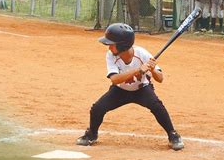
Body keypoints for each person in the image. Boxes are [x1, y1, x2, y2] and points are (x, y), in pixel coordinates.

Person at [76, 23, 184, 151]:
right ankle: (92, 134)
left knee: (157, 106)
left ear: (123, 45)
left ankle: (173, 135)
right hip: (120, 91)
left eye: (112, 44)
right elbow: (115, 80)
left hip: (141, 89)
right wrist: (138, 70)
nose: (109, 47)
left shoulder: (142, 54)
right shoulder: (111, 55)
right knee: (97, 108)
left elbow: (160, 79)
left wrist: (153, 69)